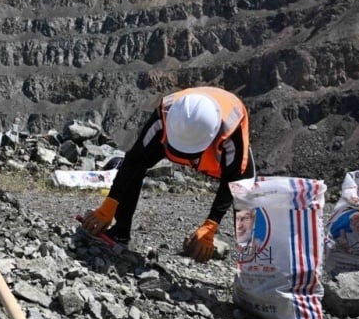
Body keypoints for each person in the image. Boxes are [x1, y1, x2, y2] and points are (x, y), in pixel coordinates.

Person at [82, 86, 254, 262]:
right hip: (179, 139)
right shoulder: (165, 114)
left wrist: (211, 224)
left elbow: (235, 180)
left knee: (245, 195)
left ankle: (252, 261)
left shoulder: (231, 129)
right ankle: (120, 233)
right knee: (137, 166)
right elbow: (133, 161)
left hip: (217, 157)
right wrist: (110, 203)